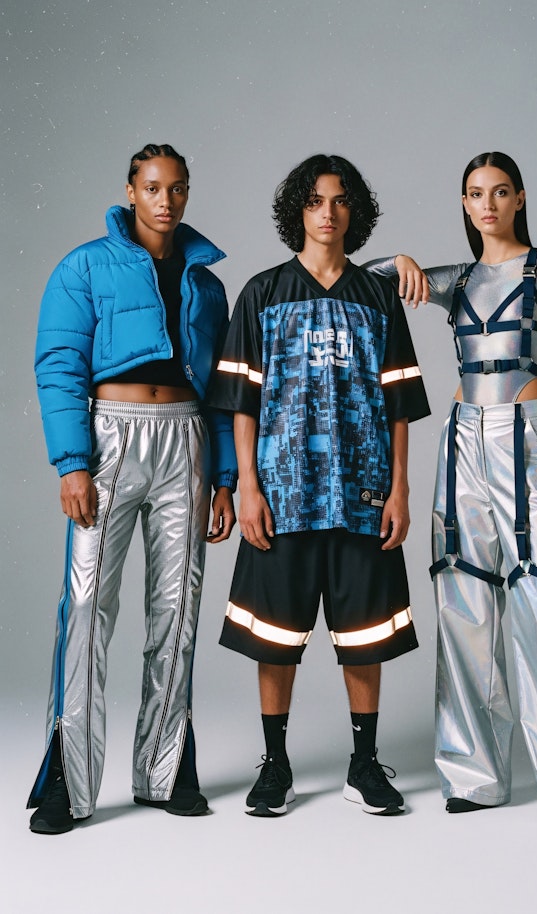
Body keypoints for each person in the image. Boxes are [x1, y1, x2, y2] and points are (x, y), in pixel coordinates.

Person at [366, 151, 537, 833]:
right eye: (475, 194)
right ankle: (473, 775)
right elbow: (365, 279)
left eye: (500, 192)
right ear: (464, 202)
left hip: (528, 435)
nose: (488, 204)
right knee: (463, 598)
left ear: (519, 198)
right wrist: (401, 259)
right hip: (462, 438)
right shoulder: (459, 279)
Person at [209, 154, 430, 817]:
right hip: (283, 497)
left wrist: (400, 489)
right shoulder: (263, 293)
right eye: (314, 201)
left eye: (338, 200)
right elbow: (242, 402)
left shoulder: (377, 296)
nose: (327, 213)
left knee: (365, 636)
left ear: (353, 211)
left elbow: (399, 405)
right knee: (274, 637)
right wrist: (248, 486)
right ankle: (275, 765)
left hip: (364, 496)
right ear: (296, 212)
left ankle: (365, 764)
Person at [27, 143, 237, 835]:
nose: (165, 201)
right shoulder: (84, 265)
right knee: (88, 604)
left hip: (186, 441)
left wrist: (225, 479)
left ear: (186, 193)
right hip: (110, 439)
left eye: (176, 188)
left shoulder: (207, 284)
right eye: (152, 187)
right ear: (130, 190)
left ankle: (164, 770)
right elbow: (59, 362)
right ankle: (69, 780)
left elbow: (224, 390)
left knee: (178, 609)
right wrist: (72, 464)